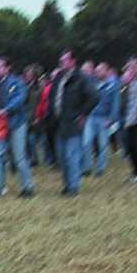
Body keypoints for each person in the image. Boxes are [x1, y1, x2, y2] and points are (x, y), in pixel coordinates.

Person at [49, 51, 98, 197]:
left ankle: (73, 187)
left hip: (72, 122)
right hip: (59, 122)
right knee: (62, 157)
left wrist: (83, 113)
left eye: (64, 61)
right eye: (60, 61)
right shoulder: (58, 77)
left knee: (72, 156)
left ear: (72, 62)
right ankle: (66, 185)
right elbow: (53, 97)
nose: (61, 64)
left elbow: (94, 97)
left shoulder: (81, 78)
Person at [0, 57, 34, 199]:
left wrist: (7, 109)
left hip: (16, 124)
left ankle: (27, 187)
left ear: (7, 68)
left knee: (19, 157)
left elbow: (20, 98)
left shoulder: (17, 82)